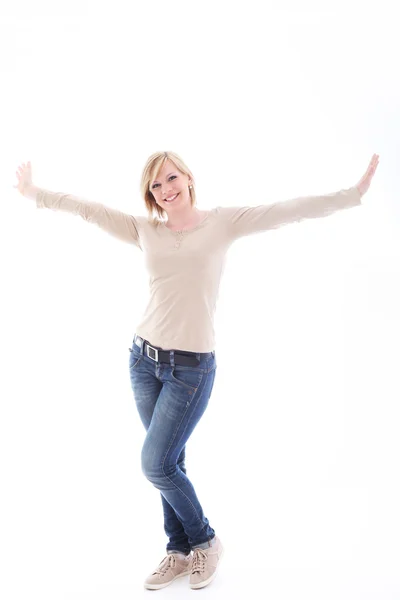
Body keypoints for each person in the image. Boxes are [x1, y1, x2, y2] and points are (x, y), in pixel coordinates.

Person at [13, 150, 380, 590]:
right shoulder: (144, 230)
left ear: (188, 177)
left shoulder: (223, 223)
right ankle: (178, 550)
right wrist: (35, 194)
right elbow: (88, 210)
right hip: (142, 362)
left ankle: (205, 541)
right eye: (155, 186)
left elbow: (288, 211)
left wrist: (353, 194)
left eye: (171, 179)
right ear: (150, 195)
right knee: (170, 462)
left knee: (156, 463)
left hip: (191, 370)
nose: (166, 190)